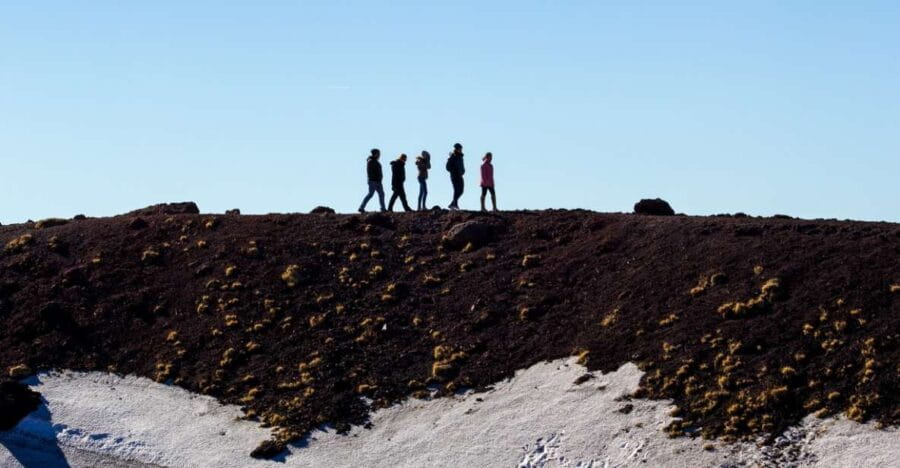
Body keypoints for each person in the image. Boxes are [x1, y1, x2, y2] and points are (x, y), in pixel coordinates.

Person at [358, 149, 386, 213]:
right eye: (378, 153)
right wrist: (375, 179)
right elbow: (370, 172)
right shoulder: (371, 161)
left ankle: (383, 208)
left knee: (381, 194)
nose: (379, 155)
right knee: (371, 194)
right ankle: (361, 207)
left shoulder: (375, 161)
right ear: (376, 154)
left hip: (377, 181)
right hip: (373, 181)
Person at [446, 143, 465, 209]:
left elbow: (462, 166)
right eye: (459, 148)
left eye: (461, 149)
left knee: (461, 191)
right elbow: (447, 167)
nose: (460, 150)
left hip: (460, 176)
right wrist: (454, 171)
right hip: (454, 176)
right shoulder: (452, 157)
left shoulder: (460, 157)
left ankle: (452, 204)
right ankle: (455, 204)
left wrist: (463, 171)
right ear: (456, 149)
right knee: (456, 190)